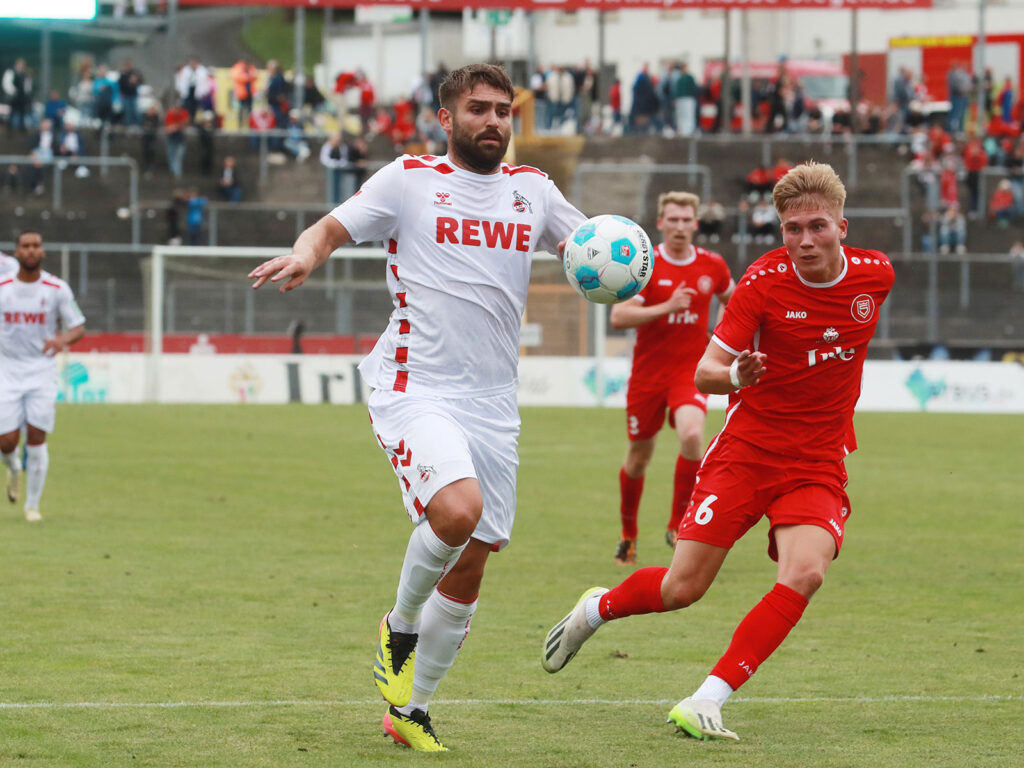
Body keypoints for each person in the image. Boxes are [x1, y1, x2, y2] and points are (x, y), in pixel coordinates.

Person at [248, 63, 585, 752]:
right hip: (416, 385)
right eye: (478, 109)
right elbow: (332, 228)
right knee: (456, 513)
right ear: (447, 118)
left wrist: (649, 280)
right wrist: (307, 254)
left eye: (502, 111)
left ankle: (412, 710)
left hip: (493, 402)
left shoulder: (535, 193)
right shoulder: (409, 180)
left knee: (472, 560)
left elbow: (597, 258)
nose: (492, 121)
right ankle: (399, 626)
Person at [542, 161, 894, 743]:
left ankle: (707, 699)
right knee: (682, 589)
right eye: (791, 228)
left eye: (817, 227)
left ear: (841, 227)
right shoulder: (762, 281)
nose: (804, 240)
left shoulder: (876, 275)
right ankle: (597, 609)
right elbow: (705, 373)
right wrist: (738, 375)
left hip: (817, 461)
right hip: (748, 451)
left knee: (805, 572)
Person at [610, 192, 734, 566]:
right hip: (648, 375)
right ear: (660, 223)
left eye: (686, 220)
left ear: (696, 224)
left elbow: (736, 299)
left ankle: (678, 525)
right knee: (638, 458)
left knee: (693, 435)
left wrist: (724, 336)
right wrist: (667, 306)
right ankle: (628, 537)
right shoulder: (644, 266)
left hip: (689, 372)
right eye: (673, 220)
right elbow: (618, 316)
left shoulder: (713, 266)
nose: (680, 227)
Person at [0, 231, 86, 522]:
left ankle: (32, 506)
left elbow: (78, 325)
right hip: (7, 370)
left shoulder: (56, 288)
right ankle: (13, 468)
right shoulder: (2, 287)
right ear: (17, 252)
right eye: (26, 246)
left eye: (36, 246)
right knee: (7, 442)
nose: (31, 250)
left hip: (41, 371)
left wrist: (63, 340)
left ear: (43, 252)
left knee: (37, 437)